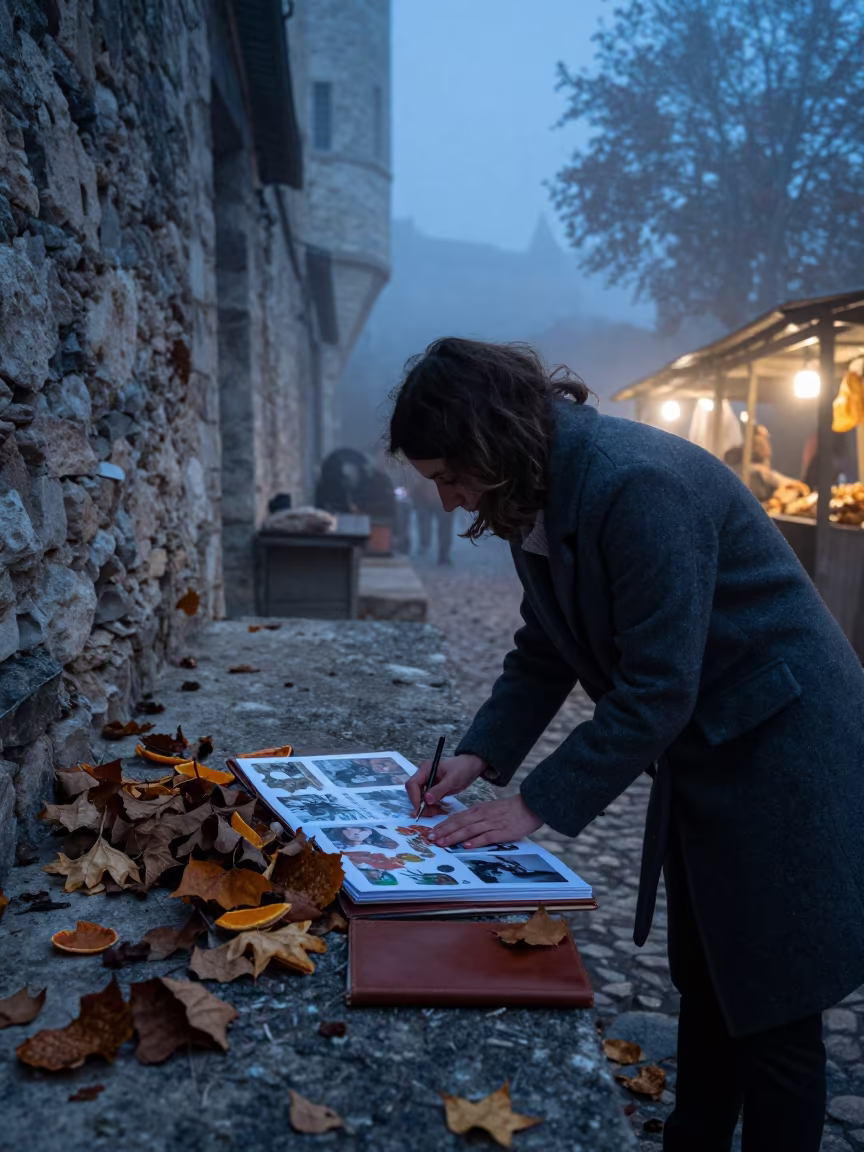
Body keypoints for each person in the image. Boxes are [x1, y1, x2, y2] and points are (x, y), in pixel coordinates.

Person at [389, 336, 864, 1152]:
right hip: (713, 746)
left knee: (776, 1002)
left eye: (447, 479)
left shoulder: (634, 484)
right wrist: (480, 755)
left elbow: (657, 688)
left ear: (487, 441)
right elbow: (548, 644)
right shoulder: (532, 490)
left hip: (786, 748)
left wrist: (534, 805)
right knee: (711, 975)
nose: (446, 502)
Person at [723, 424, 808, 503]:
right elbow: (771, 477)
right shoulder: (756, 470)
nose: (765, 441)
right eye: (764, 437)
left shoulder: (737, 464)